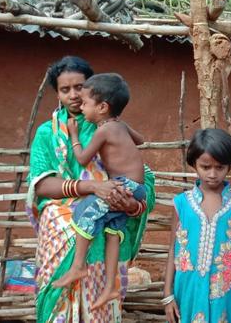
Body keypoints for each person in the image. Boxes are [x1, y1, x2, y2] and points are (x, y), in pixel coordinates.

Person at [25, 56, 155, 322]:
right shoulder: (47, 133)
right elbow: (41, 185)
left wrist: (133, 205)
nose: (73, 95)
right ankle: (73, 270)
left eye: (79, 88)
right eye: (64, 89)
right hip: (61, 224)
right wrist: (94, 186)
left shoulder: (107, 127)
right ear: (57, 93)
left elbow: (143, 176)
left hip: (110, 214)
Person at [52, 73, 146, 310]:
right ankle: (110, 287)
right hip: (137, 189)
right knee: (112, 230)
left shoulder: (103, 130)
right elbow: (141, 140)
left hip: (124, 185)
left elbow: (83, 159)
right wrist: (121, 124)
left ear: (103, 107)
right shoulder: (119, 125)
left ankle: (78, 266)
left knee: (85, 212)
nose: (81, 107)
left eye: (85, 103)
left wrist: (74, 135)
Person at [163, 128, 231, 323]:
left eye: (219, 168)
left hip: (226, 293)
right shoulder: (181, 203)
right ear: (194, 164)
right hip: (187, 289)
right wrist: (168, 294)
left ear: (229, 166)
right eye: (205, 167)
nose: (212, 174)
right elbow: (172, 250)